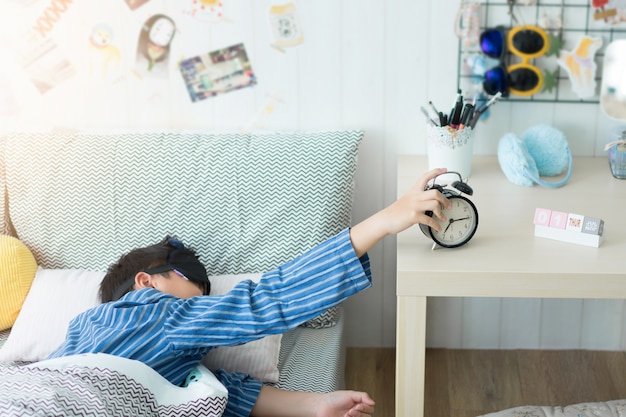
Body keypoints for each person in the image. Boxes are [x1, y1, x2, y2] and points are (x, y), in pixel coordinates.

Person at [48, 168, 451, 417]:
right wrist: (383, 221)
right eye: (195, 287)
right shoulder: (153, 312)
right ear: (147, 281)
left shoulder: (78, 338)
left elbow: (223, 392)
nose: (204, 301)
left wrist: (315, 404)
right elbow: (260, 303)